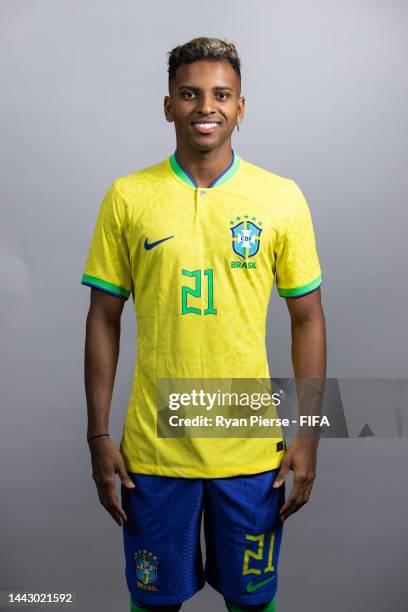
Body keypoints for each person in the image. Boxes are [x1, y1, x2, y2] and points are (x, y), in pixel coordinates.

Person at [82, 37, 326, 612]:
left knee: (250, 602)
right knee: (156, 602)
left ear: (242, 106)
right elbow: (103, 317)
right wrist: (97, 433)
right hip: (154, 453)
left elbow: (308, 317)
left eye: (221, 94)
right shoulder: (128, 196)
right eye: (189, 94)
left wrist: (311, 432)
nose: (205, 107)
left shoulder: (280, 198)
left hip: (250, 454)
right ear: (168, 105)